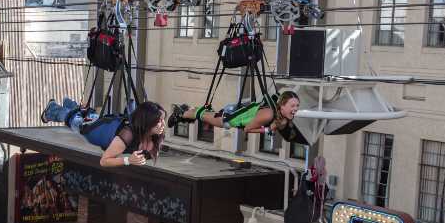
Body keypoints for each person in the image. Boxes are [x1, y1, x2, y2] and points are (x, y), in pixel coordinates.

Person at [42, 99, 166, 168]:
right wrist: (128, 160)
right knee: (73, 121)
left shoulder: (157, 135)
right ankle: (52, 109)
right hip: (95, 131)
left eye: (162, 120)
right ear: (147, 122)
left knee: (88, 116)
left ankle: (70, 104)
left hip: (108, 124)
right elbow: (104, 161)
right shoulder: (128, 134)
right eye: (158, 121)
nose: (163, 124)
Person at [170, 91, 301, 140]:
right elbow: (247, 129)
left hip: (235, 115)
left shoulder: (281, 117)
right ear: (282, 106)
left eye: (297, 106)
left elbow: (279, 125)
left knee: (205, 115)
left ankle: (185, 112)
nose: (295, 109)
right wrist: (266, 129)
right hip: (230, 118)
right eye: (292, 106)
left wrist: (272, 128)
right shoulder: (268, 114)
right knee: (202, 116)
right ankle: (181, 113)